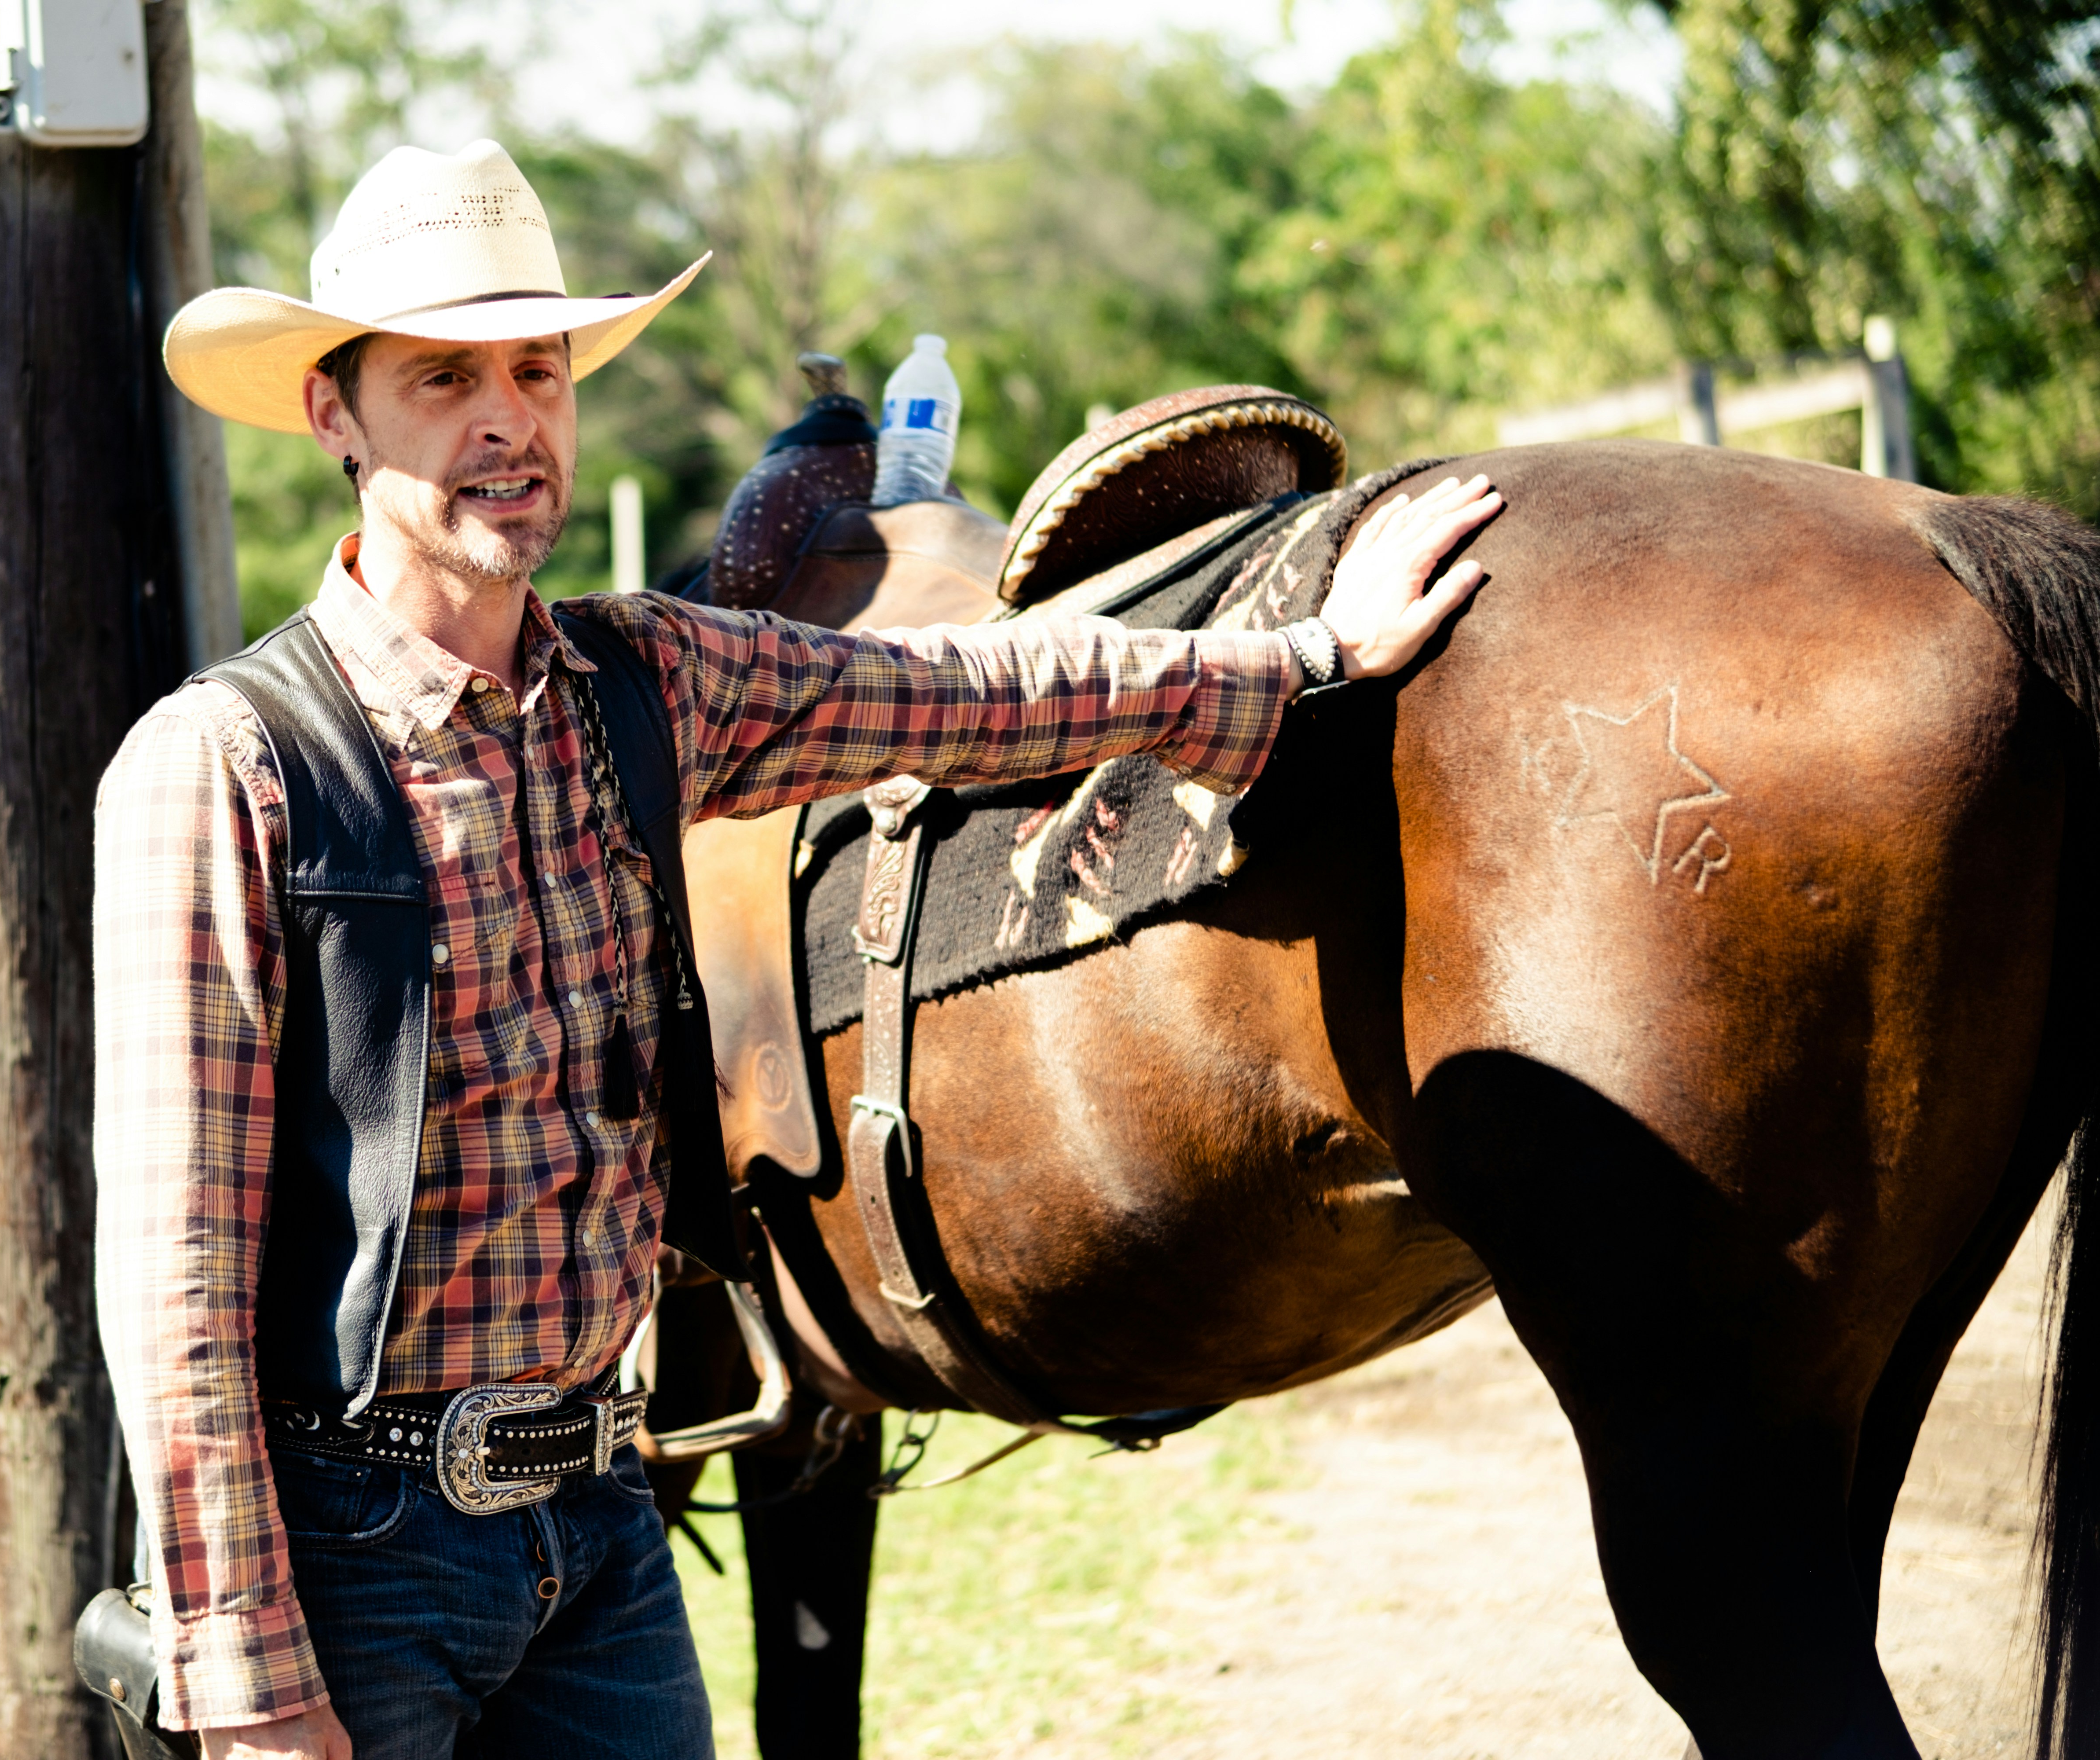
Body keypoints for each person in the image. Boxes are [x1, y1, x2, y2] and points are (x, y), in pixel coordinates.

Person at [95, 139, 1501, 1760]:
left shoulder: (646, 683)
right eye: (443, 378)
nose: (509, 421)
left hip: (599, 1528)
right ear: (335, 414)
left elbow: (981, 694)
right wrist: (246, 1672)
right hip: (353, 1551)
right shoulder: (227, 768)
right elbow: (176, 1283)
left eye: (536, 371)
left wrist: (1308, 650)